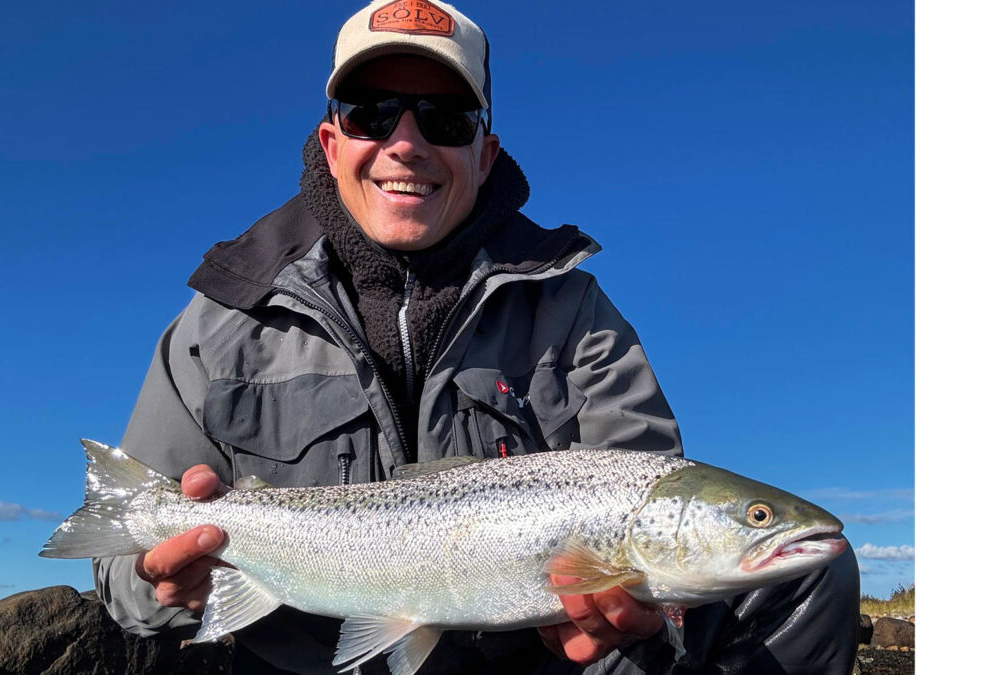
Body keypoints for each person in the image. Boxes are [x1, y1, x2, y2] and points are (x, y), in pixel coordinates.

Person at [94, 2, 860, 673]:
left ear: (484, 152)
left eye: (445, 119)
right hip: (301, 665)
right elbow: (122, 580)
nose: (406, 143)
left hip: (533, 665)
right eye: (371, 112)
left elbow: (646, 493)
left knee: (811, 570)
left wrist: (649, 623)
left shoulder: (576, 312)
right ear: (331, 142)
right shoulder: (217, 324)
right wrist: (165, 581)